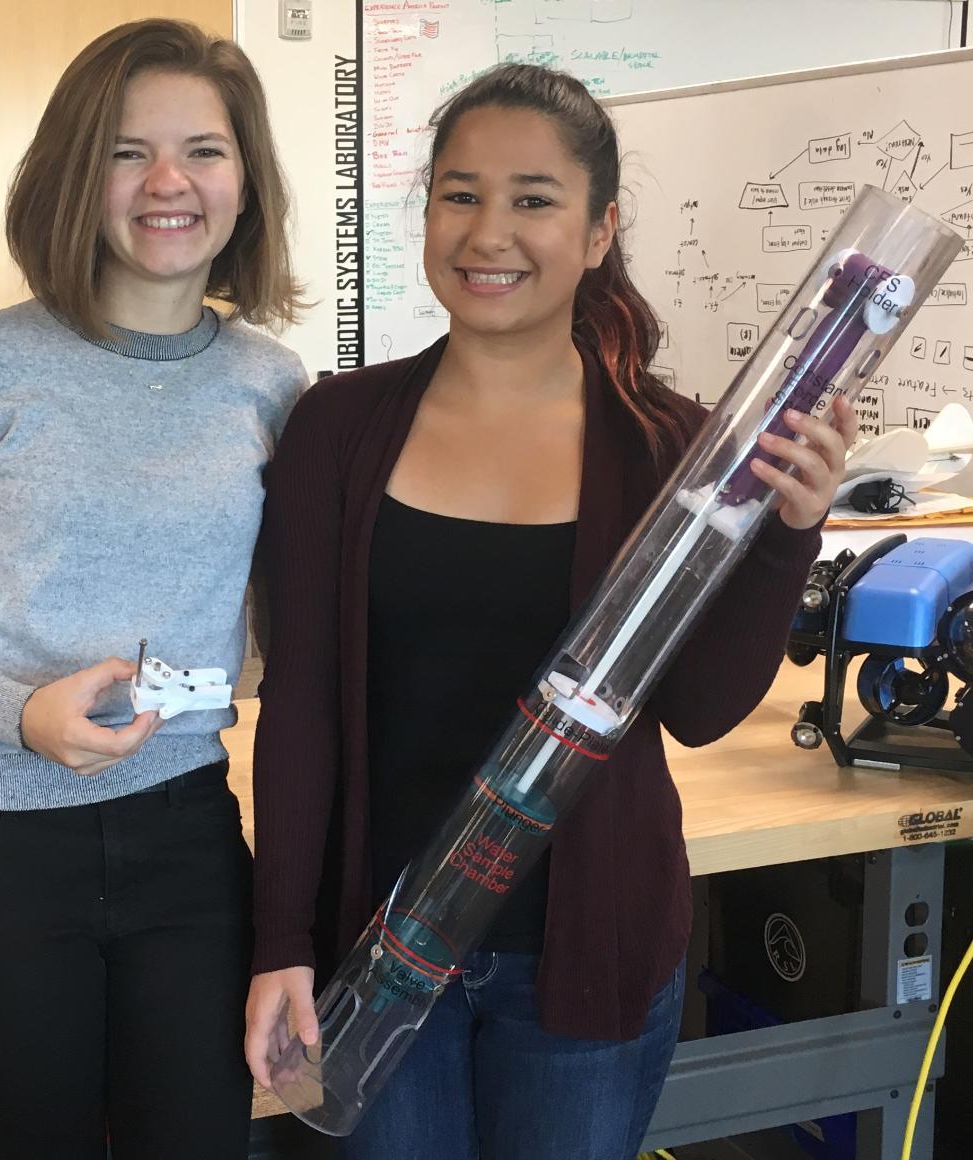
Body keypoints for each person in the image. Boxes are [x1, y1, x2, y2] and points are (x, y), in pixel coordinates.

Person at [244, 63, 856, 1159]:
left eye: (533, 198)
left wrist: (784, 532)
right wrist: (280, 937)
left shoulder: (673, 446)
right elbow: (298, 701)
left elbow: (703, 709)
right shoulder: (335, 429)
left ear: (597, 227)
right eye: (458, 193)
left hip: (589, 952)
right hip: (379, 949)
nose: (489, 233)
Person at [0, 19, 306, 1160]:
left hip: (186, 840)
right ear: (72, 173)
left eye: (203, 149)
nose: (167, 184)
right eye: (124, 151)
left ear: (244, 179)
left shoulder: (271, 384)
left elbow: (302, 637)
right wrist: (17, 710)